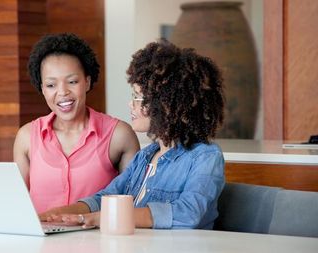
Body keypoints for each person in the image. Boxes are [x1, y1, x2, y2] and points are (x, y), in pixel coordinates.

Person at [40, 39, 226, 229]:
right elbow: (105, 198)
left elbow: (188, 214)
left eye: (138, 97)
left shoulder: (205, 156)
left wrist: (101, 218)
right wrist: (52, 216)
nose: (131, 104)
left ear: (167, 104)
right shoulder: (145, 156)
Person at [13, 33, 140, 213]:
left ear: (87, 82)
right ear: (42, 88)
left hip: (100, 240)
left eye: (72, 81)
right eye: (51, 85)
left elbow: (133, 203)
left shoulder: (119, 135)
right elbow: (17, 204)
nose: (62, 92)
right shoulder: (26, 137)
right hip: (42, 241)